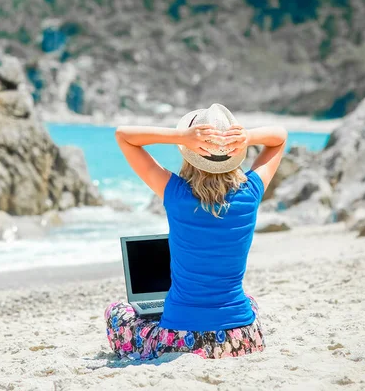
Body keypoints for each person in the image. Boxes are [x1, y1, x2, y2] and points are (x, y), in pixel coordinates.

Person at [105, 103, 288, 360]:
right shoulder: (251, 192)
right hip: (242, 336)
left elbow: (123, 135)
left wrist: (181, 137)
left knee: (116, 312)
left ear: (189, 152)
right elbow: (279, 138)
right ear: (236, 152)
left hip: (182, 336)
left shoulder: (176, 193)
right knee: (249, 300)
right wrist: (247, 137)